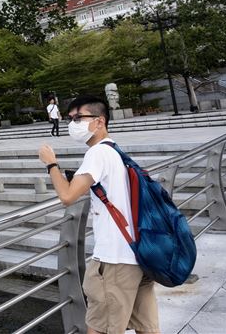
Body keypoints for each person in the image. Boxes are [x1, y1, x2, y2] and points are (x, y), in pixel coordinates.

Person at [37, 95, 159, 334]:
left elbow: (68, 196)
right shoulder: (115, 151)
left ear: (99, 121)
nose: (73, 123)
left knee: (99, 328)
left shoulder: (97, 153)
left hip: (114, 260)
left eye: (79, 118)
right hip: (138, 254)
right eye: (70, 118)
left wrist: (51, 164)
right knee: (147, 328)